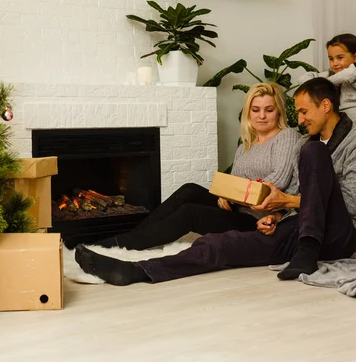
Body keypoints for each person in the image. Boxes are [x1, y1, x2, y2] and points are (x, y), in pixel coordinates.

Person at [74, 77, 356, 285]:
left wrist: (286, 202)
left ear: (326, 106)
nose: (300, 118)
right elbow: (295, 194)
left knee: (315, 152)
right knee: (218, 244)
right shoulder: (307, 142)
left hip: (336, 235)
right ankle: (137, 270)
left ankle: (307, 249)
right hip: (296, 227)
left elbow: (352, 199)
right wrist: (276, 215)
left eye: (303, 112)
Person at [86, 82, 300, 251]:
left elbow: (275, 183)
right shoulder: (246, 145)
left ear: (278, 112)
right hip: (236, 208)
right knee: (189, 189)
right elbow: (233, 183)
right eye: (256, 110)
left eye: (269, 110)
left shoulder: (286, 136)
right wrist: (227, 194)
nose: (262, 116)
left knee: (191, 213)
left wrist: (234, 193)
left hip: (256, 218)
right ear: (248, 113)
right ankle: (128, 238)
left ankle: (119, 244)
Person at [298, 33, 356, 127]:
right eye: (331, 59)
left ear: (355, 57)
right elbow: (302, 80)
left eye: (340, 57)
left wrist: (319, 83)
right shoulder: (330, 75)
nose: (335, 63)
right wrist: (319, 82)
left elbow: (347, 75)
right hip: (341, 127)